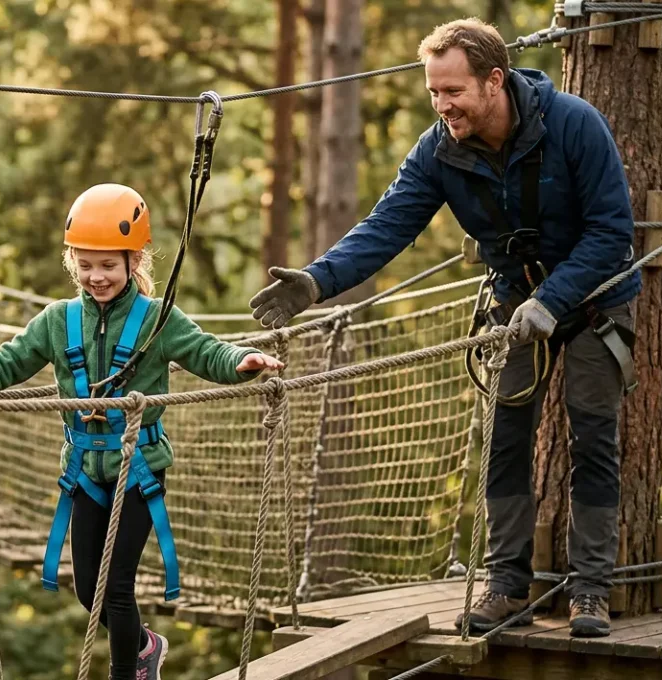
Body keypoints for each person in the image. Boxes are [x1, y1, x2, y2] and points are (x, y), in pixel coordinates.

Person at [247, 18, 639, 638]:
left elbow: (612, 231)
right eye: (433, 92)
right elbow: (386, 227)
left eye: (452, 91)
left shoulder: (574, 125)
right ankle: (506, 584)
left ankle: (591, 590)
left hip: (594, 300)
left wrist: (555, 300)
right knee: (505, 440)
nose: (442, 105)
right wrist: (316, 283)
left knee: (593, 436)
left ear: (493, 80)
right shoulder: (440, 149)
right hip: (516, 301)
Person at [0, 183, 284, 678]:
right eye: (86, 264)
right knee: (87, 589)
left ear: (134, 261)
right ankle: (144, 646)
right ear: (72, 261)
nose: (96, 277)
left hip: (139, 469)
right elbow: (12, 358)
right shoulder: (58, 321)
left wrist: (240, 360)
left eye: (108, 265)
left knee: (116, 587)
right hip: (83, 473)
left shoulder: (158, 319)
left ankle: (130, 674)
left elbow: (207, 350)